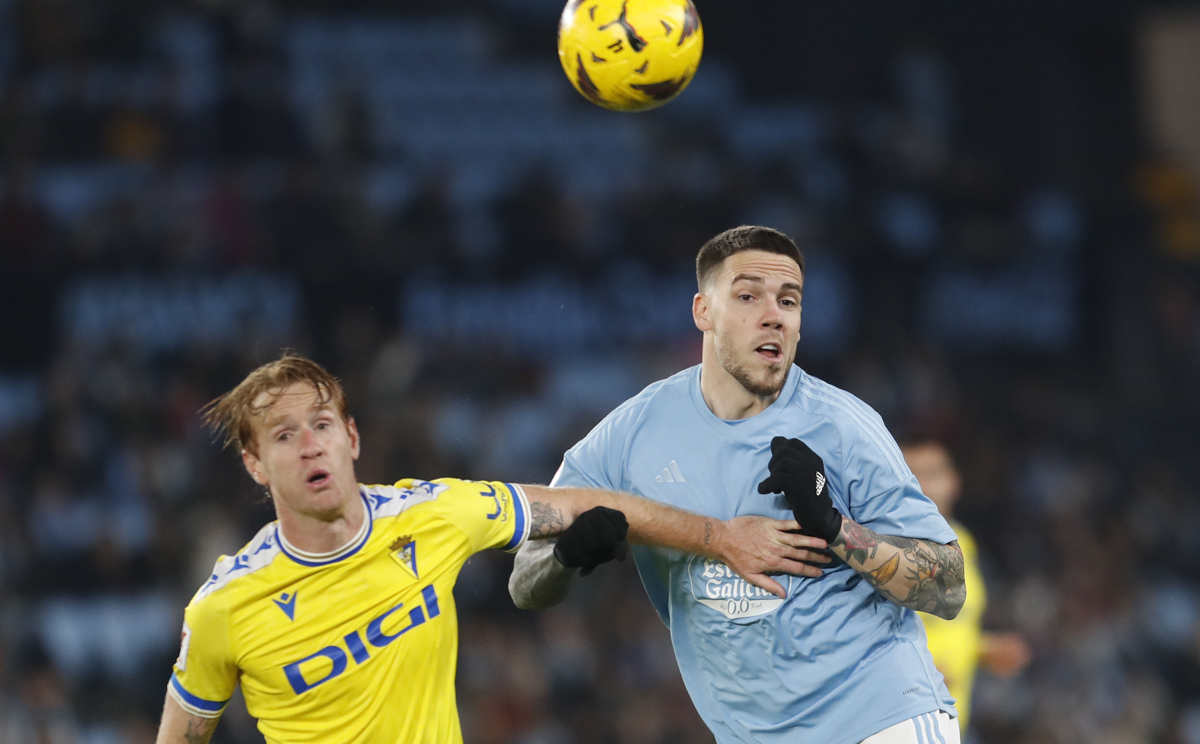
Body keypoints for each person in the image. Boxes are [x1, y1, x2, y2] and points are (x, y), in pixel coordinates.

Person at [153, 354, 826, 744]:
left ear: (351, 438)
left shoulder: (433, 515)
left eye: (321, 425)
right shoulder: (227, 607)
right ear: (254, 465)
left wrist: (722, 538)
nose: (308, 445)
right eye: (283, 435)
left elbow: (586, 503)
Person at [510, 225, 968, 744]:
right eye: (748, 296)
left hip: (881, 720)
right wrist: (564, 556)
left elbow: (949, 587)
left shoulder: (844, 427)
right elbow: (525, 582)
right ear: (703, 311)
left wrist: (834, 527)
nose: (773, 315)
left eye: (789, 301)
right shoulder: (631, 434)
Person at [902, 439, 1031, 734]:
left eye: (932, 474)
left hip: (950, 724)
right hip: (901, 723)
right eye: (910, 475)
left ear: (954, 482)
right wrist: (914, 674)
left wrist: (983, 649)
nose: (923, 486)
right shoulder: (878, 551)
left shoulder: (962, 541)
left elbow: (951, 630)